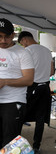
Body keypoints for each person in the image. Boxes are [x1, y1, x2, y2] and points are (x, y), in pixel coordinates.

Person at [0, 18, 34, 148]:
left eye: (7, 37)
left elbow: (29, 80)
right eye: (0, 37)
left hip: (13, 102)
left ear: (13, 35)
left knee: (9, 144)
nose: (3, 40)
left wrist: (5, 81)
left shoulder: (23, 53)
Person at [18, 31, 53, 153]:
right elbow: (52, 71)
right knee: (40, 118)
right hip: (45, 88)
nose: (23, 46)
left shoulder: (27, 51)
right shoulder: (47, 50)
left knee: (21, 116)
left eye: (22, 43)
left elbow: (21, 71)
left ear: (25, 40)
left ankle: (16, 145)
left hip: (32, 87)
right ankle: (36, 146)